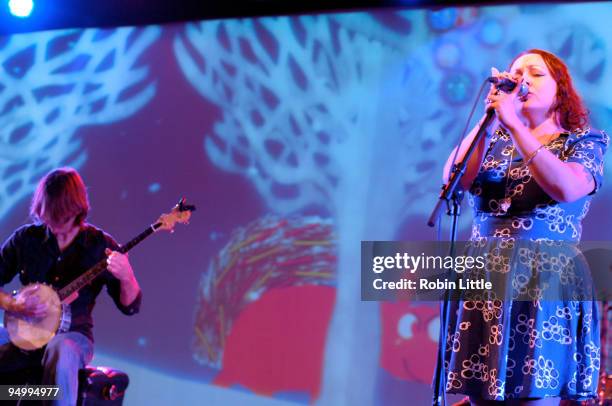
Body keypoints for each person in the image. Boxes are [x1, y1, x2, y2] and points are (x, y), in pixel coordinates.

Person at [439, 49, 608, 405]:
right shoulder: (493, 138)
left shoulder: (583, 141)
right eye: (516, 72)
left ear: (560, 89)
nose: (522, 79)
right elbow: (453, 181)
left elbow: (567, 187)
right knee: (481, 395)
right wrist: (490, 120)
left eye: (535, 73)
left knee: (534, 393)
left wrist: (516, 125)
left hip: (545, 279)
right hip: (486, 279)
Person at [0, 167, 142, 405]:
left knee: (61, 350)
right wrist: (14, 303)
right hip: (25, 333)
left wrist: (128, 277)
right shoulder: (26, 239)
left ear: (77, 211)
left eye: (60, 218)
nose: (53, 225)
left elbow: (130, 307)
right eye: (48, 217)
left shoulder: (99, 246)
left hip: (72, 336)